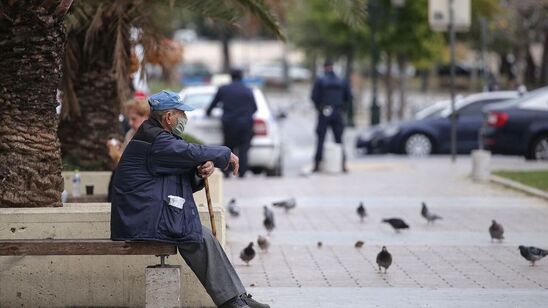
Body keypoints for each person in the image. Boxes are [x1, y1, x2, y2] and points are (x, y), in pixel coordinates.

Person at [110, 90, 269, 308]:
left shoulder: (158, 137)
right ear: (168, 117)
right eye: (181, 114)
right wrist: (223, 154)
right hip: (142, 220)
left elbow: (181, 167)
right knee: (196, 236)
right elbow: (189, 151)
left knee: (202, 235)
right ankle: (231, 301)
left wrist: (200, 170)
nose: (184, 118)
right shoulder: (155, 141)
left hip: (147, 214)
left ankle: (238, 297)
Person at [206, 69, 257, 178]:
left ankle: (227, 172)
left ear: (231, 77)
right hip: (245, 124)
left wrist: (208, 112)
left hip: (229, 124)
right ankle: (242, 173)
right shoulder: (248, 90)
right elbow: (255, 108)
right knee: (244, 148)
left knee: (228, 147)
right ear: (242, 77)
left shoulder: (224, 89)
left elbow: (213, 104)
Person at [310, 59, 352, 172]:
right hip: (338, 112)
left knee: (320, 139)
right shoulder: (341, 80)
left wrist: (320, 108)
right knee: (339, 140)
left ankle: (317, 164)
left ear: (324, 67)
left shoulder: (320, 80)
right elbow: (348, 97)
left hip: (324, 112)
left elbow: (314, 97)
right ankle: (342, 164)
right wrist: (342, 108)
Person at [106, 97, 150, 201]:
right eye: (129, 119)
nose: (130, 123)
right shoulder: (131, 133)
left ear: (146, 117)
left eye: (134, 119)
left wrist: (118, 155)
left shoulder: (150, 135)